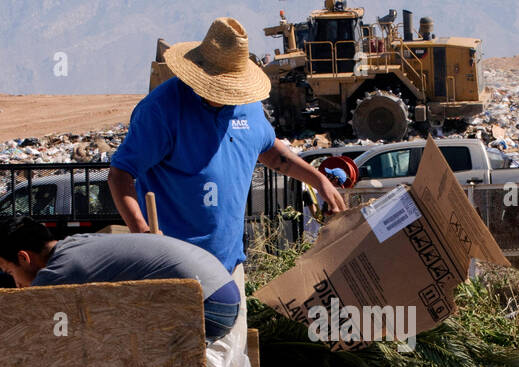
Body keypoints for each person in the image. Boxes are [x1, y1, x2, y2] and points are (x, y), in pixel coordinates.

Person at [107, 16, 346, 288]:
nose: (227, 95)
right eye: (219, 88)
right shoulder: (162, 109)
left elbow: (269, 149)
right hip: (170, 271)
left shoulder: (249, 106)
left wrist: (319, 180)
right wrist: (143, 231)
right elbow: (120, 174)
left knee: (231, 330)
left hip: (229, 269)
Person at [0, 218, 242, 341]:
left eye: (10, 273)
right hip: (223, 290)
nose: (17, 285)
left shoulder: (59, 271)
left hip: (207, 304)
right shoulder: (76, 244)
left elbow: (26, 323)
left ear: (24, 258)